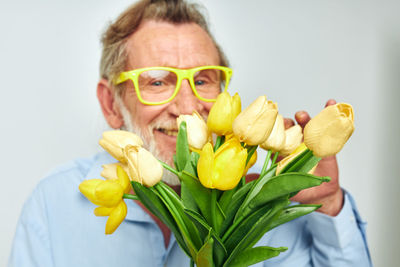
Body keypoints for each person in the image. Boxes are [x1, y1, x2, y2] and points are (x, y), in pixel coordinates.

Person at [8, 0, 372, 266]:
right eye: (156, 81)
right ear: (110, 104)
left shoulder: (265, 204)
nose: (186, 106)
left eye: (202, 79)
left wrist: (327, 206)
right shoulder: (53, 206)